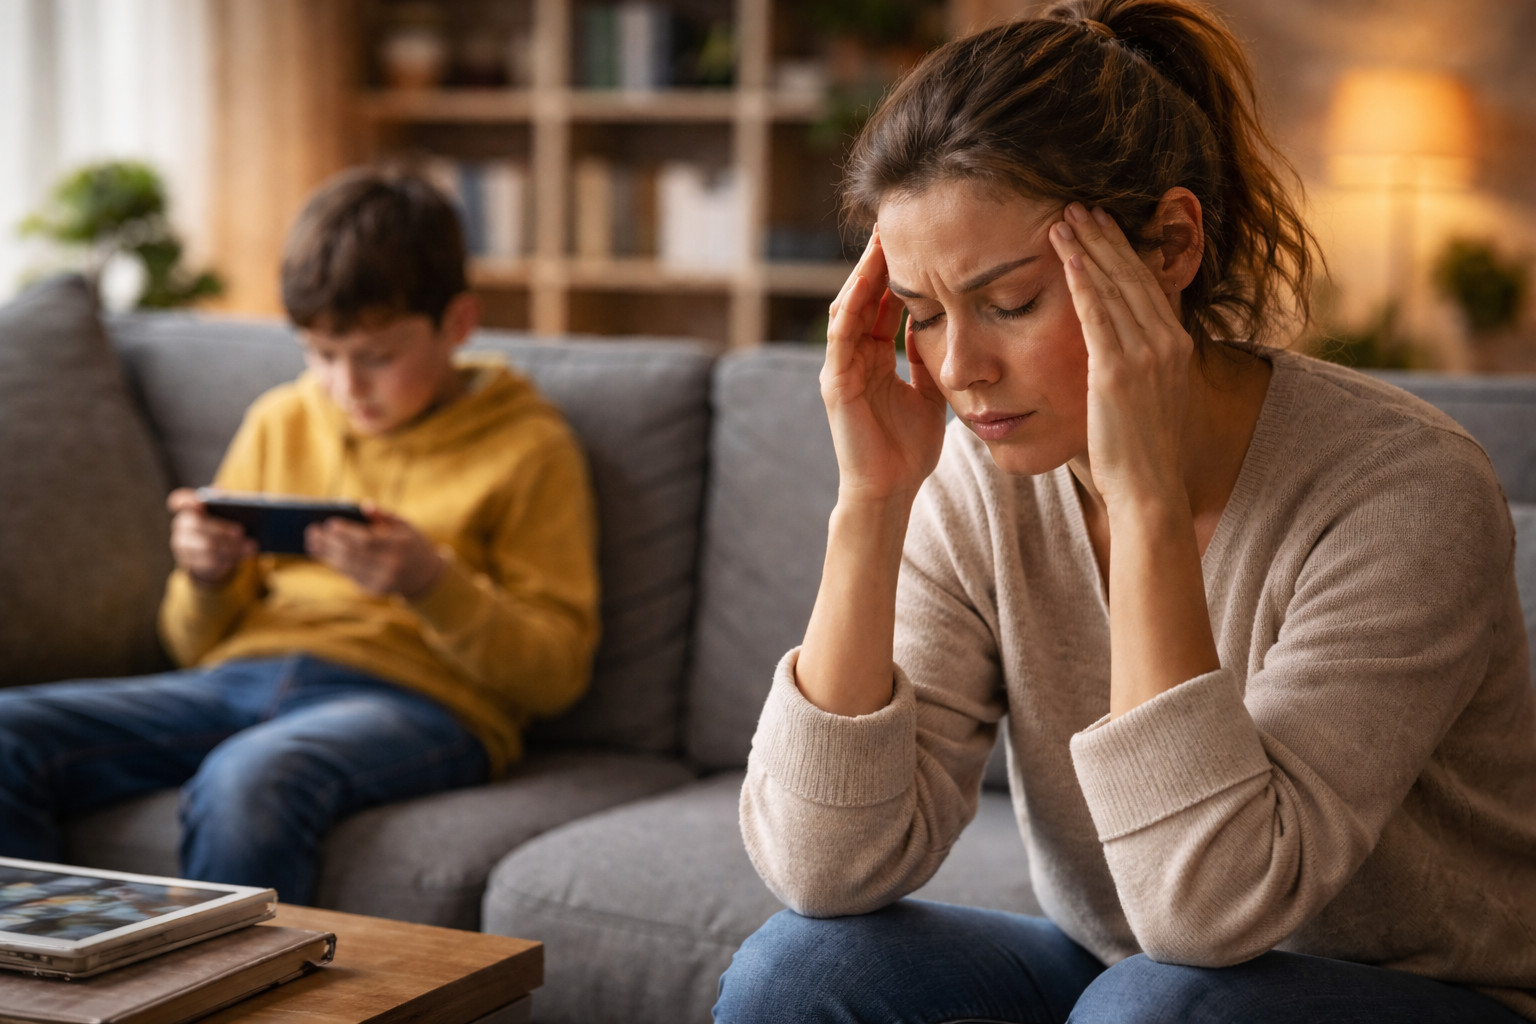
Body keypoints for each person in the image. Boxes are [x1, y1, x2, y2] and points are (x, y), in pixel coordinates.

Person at [713, 2, 1536, 1022]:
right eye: (922, 317)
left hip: (1419, 991)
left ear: (1172, 246)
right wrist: (872, 502)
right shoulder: (981, 484)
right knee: (800, 970)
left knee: (1160, 1006)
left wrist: (1143, 497)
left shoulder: (1403, 492)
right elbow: (823, 870)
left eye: (1010, 301)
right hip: (1127, 969)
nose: (960, 369)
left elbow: (1211, 911)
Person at [0, 168, 600, 906]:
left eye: (377, 356)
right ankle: (53, 989)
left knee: (252, 777)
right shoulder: (281, 418)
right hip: (240, 679)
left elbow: (555, 675)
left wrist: (430, 584)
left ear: (459, 323)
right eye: (319, 352)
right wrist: (205, 578)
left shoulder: (530, 448)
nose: (345, 386)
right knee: (8, 731)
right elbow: (191, 648)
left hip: (421, 702)